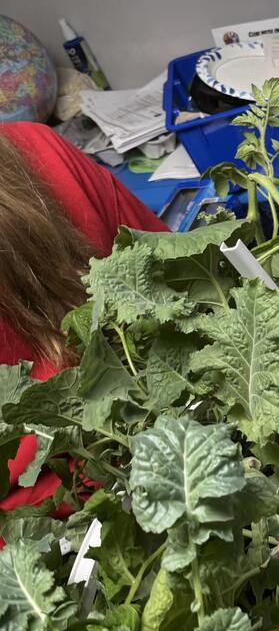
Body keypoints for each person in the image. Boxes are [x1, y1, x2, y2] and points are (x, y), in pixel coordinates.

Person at [0, 121, 166, 515]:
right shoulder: (40, 146)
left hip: (72, 524)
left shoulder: (42, 150)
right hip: (173, 452)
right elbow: (185, 288)